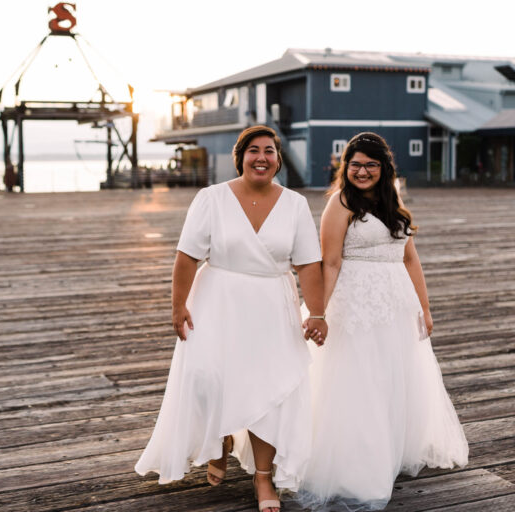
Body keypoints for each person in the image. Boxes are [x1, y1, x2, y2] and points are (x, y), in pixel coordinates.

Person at [135, 125, 327, 512]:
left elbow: (308, 263)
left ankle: (262, 477)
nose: (262, 157)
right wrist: (178, 305)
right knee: (207, 377)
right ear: (240, 157)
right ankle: (220, 439)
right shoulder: (212, 198)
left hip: (272, 304)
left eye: (270, 151)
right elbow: (187, 256)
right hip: (216, 299)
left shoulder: (294, 205)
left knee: (268, 390)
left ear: (278, 159)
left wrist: (318, 312)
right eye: (253, 150)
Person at [295, 133, 468, 511]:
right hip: (354, 304)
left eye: (371, 164)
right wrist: (320, 312)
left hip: (395, 304)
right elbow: (331, 262)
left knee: (393, 377)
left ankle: (391, 450)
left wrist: (425, 307)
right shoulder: (339, 204)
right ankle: (356, 465)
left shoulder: (393, 201)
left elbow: (410, 259)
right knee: (361, 381)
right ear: (346, 167)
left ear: (383, 167)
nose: (362, 171)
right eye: (355, 164)